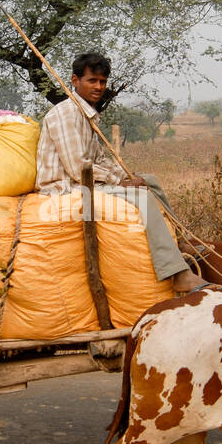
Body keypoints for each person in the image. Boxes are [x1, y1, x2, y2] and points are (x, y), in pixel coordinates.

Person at [35, 51, 206, 294]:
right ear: (75, 80)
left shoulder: (87, 114)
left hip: (82, 183)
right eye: (92, 81)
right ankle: (176, 273)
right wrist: (121, 183)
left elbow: (99, 158)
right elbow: (77, 168)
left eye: (102, 82)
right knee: (142, 198)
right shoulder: (65, 114)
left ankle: (178, 240)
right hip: (63, 188)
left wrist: (127, 177)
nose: (98, 87)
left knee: (150, 182)